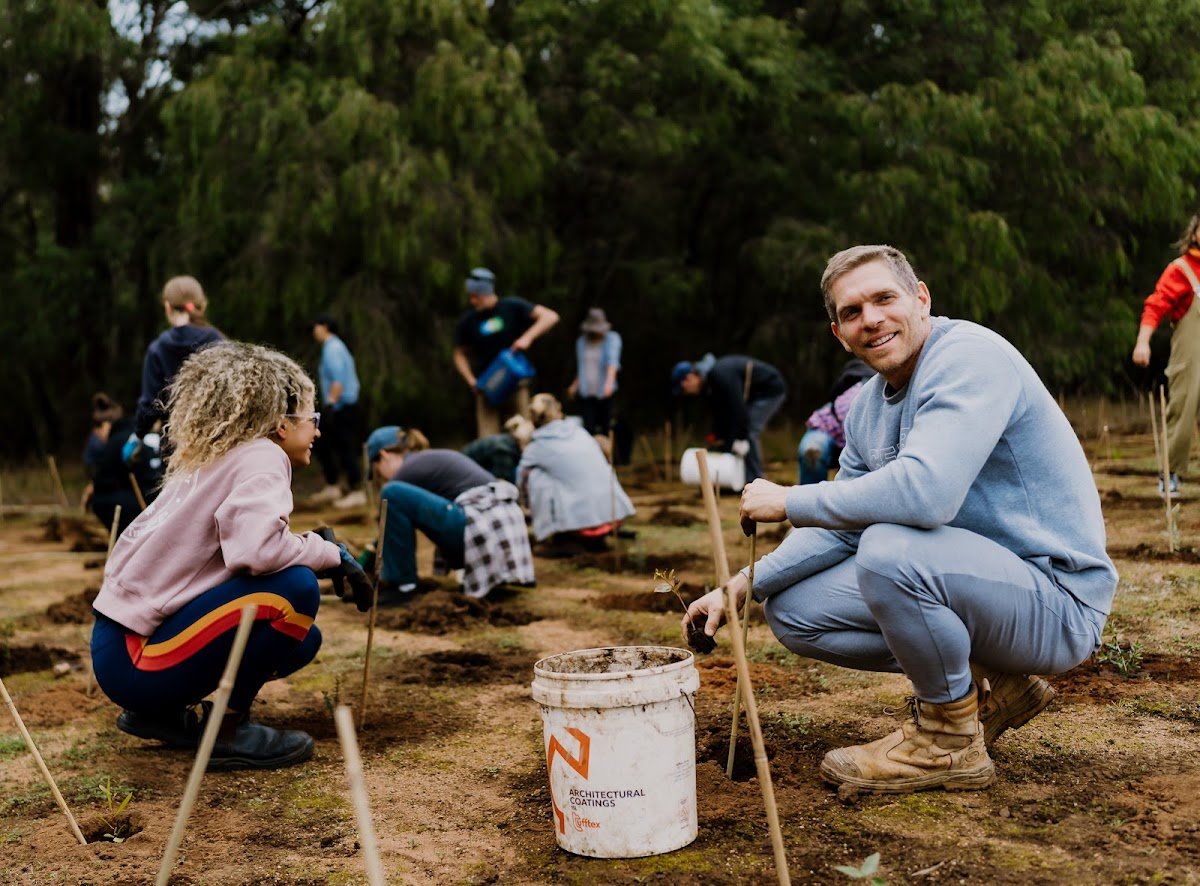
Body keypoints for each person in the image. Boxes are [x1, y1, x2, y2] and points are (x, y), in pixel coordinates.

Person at [684, 244, 1117, 795]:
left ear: (920, 299)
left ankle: (947, 741)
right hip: (981, 589)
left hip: (1056, 603)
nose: (871, 319)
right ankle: (994, 684)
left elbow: (927, 495)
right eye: (851, 312)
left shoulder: (969, 357)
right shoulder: (866, 409)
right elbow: (842, 524)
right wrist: (740, 586)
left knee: (889, 549)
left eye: (884, 298)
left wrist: (791, 499)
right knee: (793, 610)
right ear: (838, 333)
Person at [91, 343, 373, 771]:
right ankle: (227, 730)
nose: (317, 431)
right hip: (138, 658)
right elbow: (255, 554)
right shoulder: (264, 456)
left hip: (119, 649)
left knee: (302, 640)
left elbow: (242, 553)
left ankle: (161, 715)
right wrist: (327, 554)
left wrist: (315, 546)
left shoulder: (219, 456)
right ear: (282, 423)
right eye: (312, 419)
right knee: (295, 590)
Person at [367, 425, 535, 602]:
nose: (382, 476)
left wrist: (361, 567)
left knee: (391, 493)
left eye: (377, 470)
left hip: (483, 523)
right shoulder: (425, 459)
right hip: (500, 529)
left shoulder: (407, 470)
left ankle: (402, 586)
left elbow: (385, 529)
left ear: (383, 456)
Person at [1131, 211, 1200, 496]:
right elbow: (1156, 305)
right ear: (1194, 233)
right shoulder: (1181, 269)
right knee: (1182, 409)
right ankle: (1169, 474)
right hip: (1191, 354)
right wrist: (1142, 342)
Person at [452, 267, 560, 438]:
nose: (473, 301)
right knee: (488, 437)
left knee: (523, 431)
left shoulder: (511, 307)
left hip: (515, 382)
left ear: (487, 293)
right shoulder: (468, 321)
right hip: (486, 387)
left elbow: (550, 316)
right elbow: (459, 354)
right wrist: (470, 380)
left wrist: (527, 338)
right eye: (470, 296)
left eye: (476, 296)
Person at [516, 394, 635, 545]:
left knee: (535, 475)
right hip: (613, 516)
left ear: (533, 418)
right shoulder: (581, 433)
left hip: (580, 525)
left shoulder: (536, 447)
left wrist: (523, 506)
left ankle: (561, 537)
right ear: (558, 410)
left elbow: (520, 479)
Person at [133, 275, 225, 444]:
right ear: (202, 305)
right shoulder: (221, 344)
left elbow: (150, 405)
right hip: (215, 442)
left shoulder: (158, 349)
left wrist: (138, 435)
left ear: (168, 307)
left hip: (176, 447)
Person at [671, 353, 787, 482]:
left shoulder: (720, 374)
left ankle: (756, 482)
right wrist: (716, 437)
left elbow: (738, 409)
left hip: (769, 390)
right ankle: (741, 479)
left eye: (683, 388)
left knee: (748, 433)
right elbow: (722, 415)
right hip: (752, 396)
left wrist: (740, 438)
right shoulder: (709, 385)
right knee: (735, 434)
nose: (685, 392)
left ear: (689, 378)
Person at [81, 394, 161, 537]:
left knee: (99, 500)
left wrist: (94, 488)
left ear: (105, 425)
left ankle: (126, 540)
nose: (96, 435)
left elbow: (102, 479)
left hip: (145, 501)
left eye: (97, 430)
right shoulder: (135, 432)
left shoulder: (117, 441)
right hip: (161, 495)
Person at [309, 313, 365, 509]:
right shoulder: (333, 347)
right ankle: (334, 484)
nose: (314, 331)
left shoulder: (333, 348)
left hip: (342, 406)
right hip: (341, 406)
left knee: (345, 447)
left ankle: (356, 489)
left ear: (324, 326)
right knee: (328, 444)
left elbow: (338, 380)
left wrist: (331, 404)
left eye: (316, 326)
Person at [797, 359, 874, 484]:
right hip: (825, 428)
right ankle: (809, 499)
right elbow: (853, 447)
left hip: (852, 432)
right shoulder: (858, 398)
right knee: (811, 453)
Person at [567, 308, 622, 438]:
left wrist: (608, 384)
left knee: (606, 427)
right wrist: (574, 386)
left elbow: (612, 363)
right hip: (587, 391)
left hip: (605, 391)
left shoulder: (612, 339)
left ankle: (607, 456)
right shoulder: (581, 342)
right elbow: (582, 367)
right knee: (588, 427)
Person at [461, 414, 533, 483]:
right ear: (525, 444)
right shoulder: (504, 452)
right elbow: (501, 485)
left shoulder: (508, 442)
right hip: (463, 474)